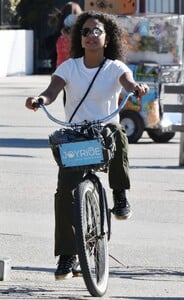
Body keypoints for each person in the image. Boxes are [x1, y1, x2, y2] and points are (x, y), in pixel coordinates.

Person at [25, 11, 149, 280]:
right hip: (76, 136)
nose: (91, 36)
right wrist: (39, 100)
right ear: (79, 39)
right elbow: (52, 91)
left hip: (104, 132)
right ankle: (68, 254)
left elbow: (128, 82)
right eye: (86, 32)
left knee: (117, 131)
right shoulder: (69, 67)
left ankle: (119, 194)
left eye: (97, 32)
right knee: (63, 194)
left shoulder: (115, 67)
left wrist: (136, 87)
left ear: (107, 38)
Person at [48, 1, 82, 70]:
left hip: (60, 71)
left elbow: (53, 55)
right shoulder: (81, 35)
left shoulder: (58, 34)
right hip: (76, 71)